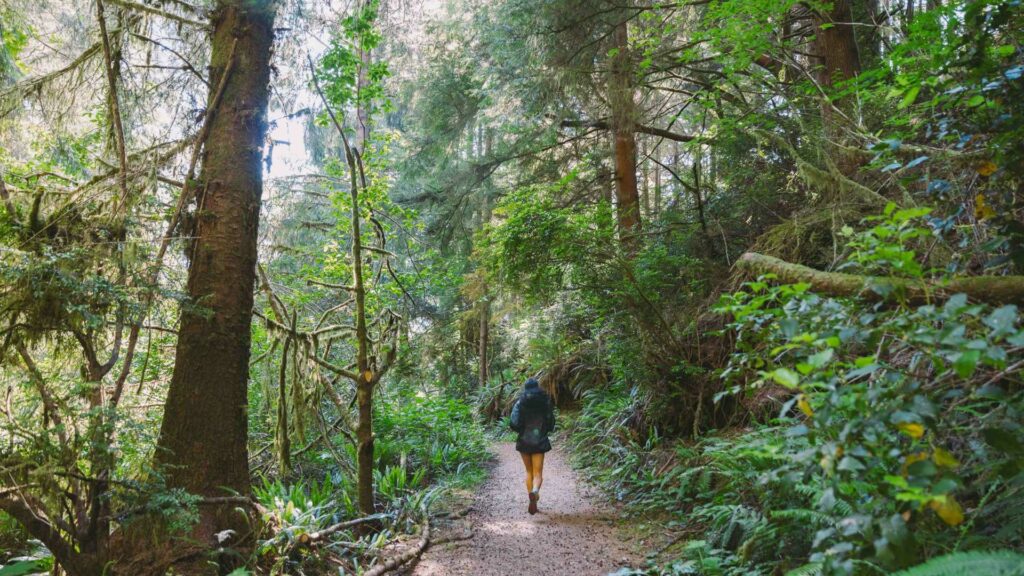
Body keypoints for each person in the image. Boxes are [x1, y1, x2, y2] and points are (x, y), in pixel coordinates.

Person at [509, 377, 555, 515]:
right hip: (539, 440)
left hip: (524, 440)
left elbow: (514, 422)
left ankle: (532, 495)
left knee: (528, 472)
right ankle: (535, 492)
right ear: (537, 387)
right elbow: (551, 421)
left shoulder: (520, 403)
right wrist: (545, 430)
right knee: (538, 473)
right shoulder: (545, 402)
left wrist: (522, 430)